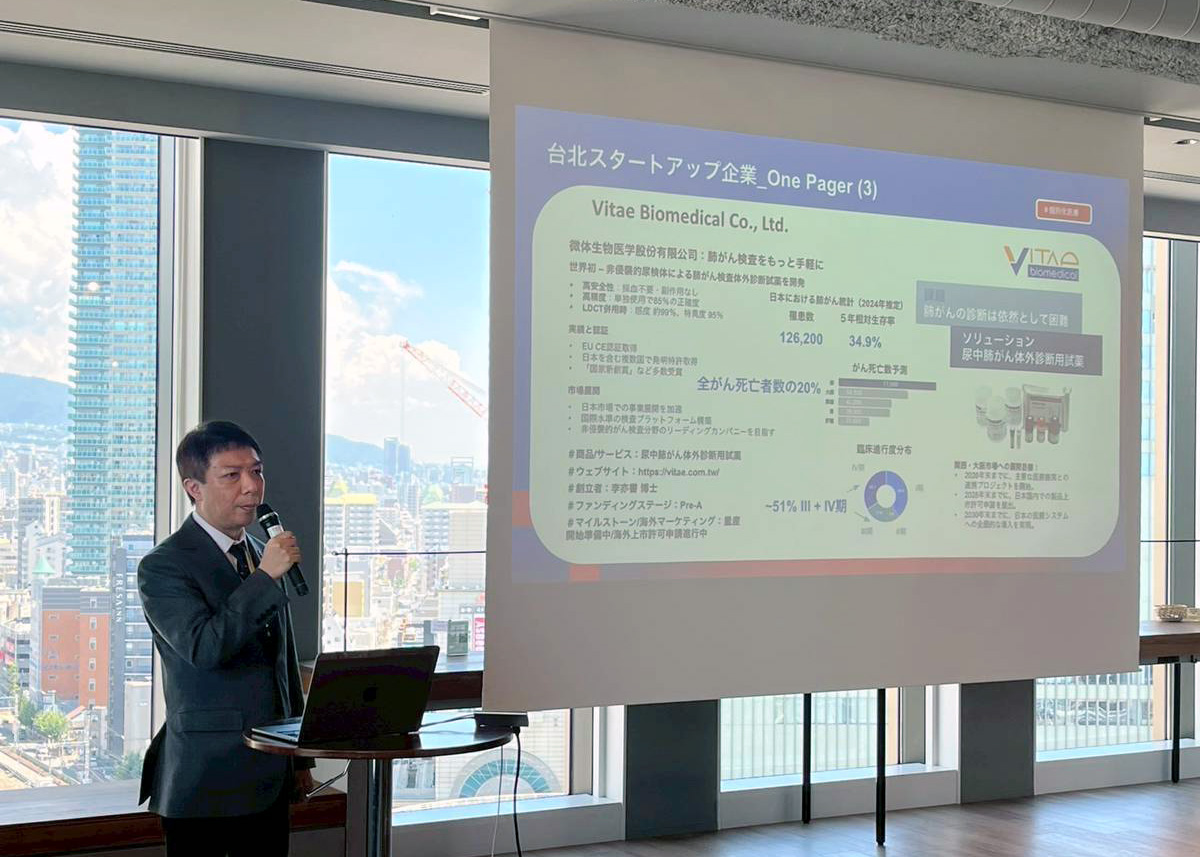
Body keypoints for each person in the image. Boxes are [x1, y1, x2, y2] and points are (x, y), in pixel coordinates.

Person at [138, 420, 314, 857]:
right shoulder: (163, 566)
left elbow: (282, 663)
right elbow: (204, 648)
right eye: (232, 475)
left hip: (271, 772)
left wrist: (300, 758)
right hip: (206, 780)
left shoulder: (259, 552)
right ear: (193, 488)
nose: (251, 487)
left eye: (256, 471)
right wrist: (264, 578)